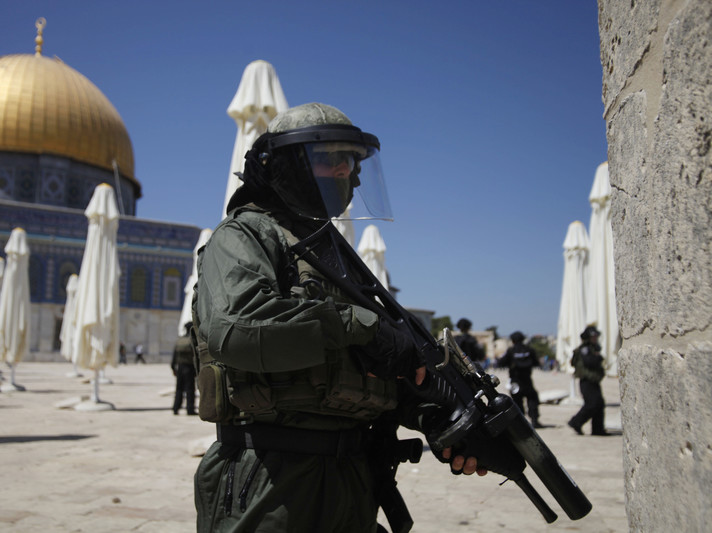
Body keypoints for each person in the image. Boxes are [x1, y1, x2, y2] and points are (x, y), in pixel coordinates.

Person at [191, 103, 486, 533]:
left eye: (353, 160)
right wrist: (361, 328)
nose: (348, 171)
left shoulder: (330, 251)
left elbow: (369, 363)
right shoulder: (245, 236)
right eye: (332, 158)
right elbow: (237, 328)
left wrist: (434, 417)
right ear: (287, 164)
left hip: (353, 477)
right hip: (271, 479)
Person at [496, 331, 543, 428]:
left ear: (512, 341)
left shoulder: (511, 351)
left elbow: (501, 363)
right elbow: (536, 363)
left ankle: (521, 422)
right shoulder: (529, 350)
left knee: (517, 401)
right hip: (527, 379)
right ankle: (534, 420)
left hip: (515, 381)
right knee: (532, 398)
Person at [568, 325, 609, 436]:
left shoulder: (592, 348)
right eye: (593, 336)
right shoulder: (585, 349)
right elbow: (589, 362)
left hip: (593, 381)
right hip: (587, 381)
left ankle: (598, 429)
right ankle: (576, 422)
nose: (595, 338)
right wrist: (598, 358)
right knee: (592, 404)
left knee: (599, 404)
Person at [172, 323, 197, 415]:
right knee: (190, 389)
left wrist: (173, 367)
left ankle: (175, 408)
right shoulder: (192, 340)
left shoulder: (180, 340)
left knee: (179, 389)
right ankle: (190, 409)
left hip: (180, 367)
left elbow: (174, 356)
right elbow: (196, 356)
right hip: (189, 367)